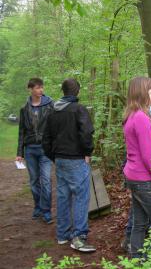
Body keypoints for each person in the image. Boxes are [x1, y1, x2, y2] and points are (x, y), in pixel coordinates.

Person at [42, 78, 96, 252]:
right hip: (76, 159)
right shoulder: (79, 109)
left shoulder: (52, 112)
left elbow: (45, 140)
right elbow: (86, 133)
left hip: (60, 160)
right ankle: (79, 236)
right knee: (81, 197)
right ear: (77, 91)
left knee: (64, 196)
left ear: (63, 91)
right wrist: (87, 153)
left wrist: (54, 157)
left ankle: (62, 235)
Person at [123, 77, 151, 260]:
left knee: (140, 222)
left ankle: (136, 261)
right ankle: (148, 261)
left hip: (133, 176)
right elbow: (149, 154)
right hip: (142, 178)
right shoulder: (142, 118)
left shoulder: (132, 115)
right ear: (142, 93)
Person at [16, 78, 54, 224]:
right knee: (33, 181)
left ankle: (46, 211)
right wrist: (20, 152)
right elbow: (21, 132)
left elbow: (55, 127)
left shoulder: (51, 105)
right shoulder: (24, 108)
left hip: (45, 149)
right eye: (38, 88)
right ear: (30, 89)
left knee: (46, 180)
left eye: (42, 87)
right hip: (30, 149)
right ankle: (37, 207)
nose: (41, 90)